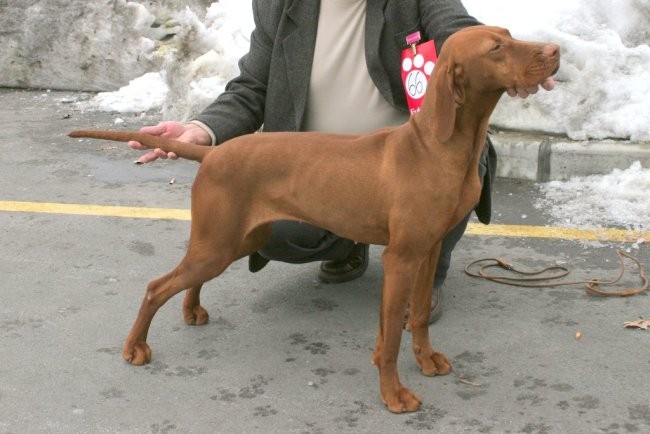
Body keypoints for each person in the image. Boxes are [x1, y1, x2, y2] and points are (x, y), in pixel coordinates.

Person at [129, 0, 554, 323]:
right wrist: (202, 130)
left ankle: (427, 269)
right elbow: (252, 86)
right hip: (326, 169)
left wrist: (510, 61)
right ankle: (345, 245)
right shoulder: (280, 4)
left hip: (412, 159)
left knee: (453, 176)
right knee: (273, 232)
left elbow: (458, 32)